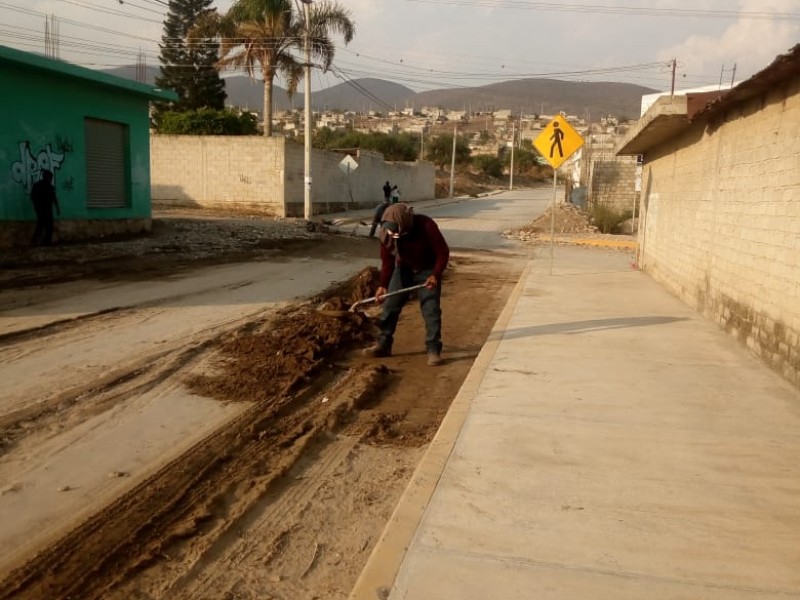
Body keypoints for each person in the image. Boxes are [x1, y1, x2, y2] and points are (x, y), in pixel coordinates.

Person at [364, 203, 450, 366]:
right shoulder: (386, 234)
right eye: (390, 232)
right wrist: (383, 285)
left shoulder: (426, 225)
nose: (393, 236)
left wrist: (435, 275)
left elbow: (443, 252)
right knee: (390, 306)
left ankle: (433, 349)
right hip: (404, 269)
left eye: (396, 232)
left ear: (403, 223)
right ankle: (383, 344)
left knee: (430, 309)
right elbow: (388, 260)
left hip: (428, 269)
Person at [30, 169, 60, 246]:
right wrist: (57, 208)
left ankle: (36, 240)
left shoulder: (37, 185)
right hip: (46, 209)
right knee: (48, 226)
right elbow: (54, 198)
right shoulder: (49, 187)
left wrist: (36, 206)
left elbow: (32, 197)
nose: (50, 180)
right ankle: (46, 241)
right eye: (50, 178)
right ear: (48, 178)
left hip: (41, 209)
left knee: (41, 225)